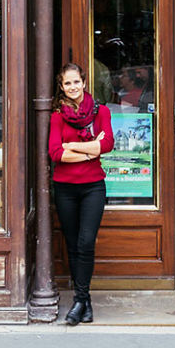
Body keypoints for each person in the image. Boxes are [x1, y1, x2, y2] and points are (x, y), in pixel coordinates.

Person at [48, 62, 114, 325]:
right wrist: (90, 147)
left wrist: (73, 146)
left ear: (84, 83)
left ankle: (79, 300)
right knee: (73, 244)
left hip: (93, 187)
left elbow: (107, 145)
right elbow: (55, 153)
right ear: (61, 87)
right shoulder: (57, 116)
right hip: (64, 188)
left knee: (86, 243)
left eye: (76, 82)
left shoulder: (102, 112)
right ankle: (83, 302)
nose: (73, 87)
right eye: (67, 83)